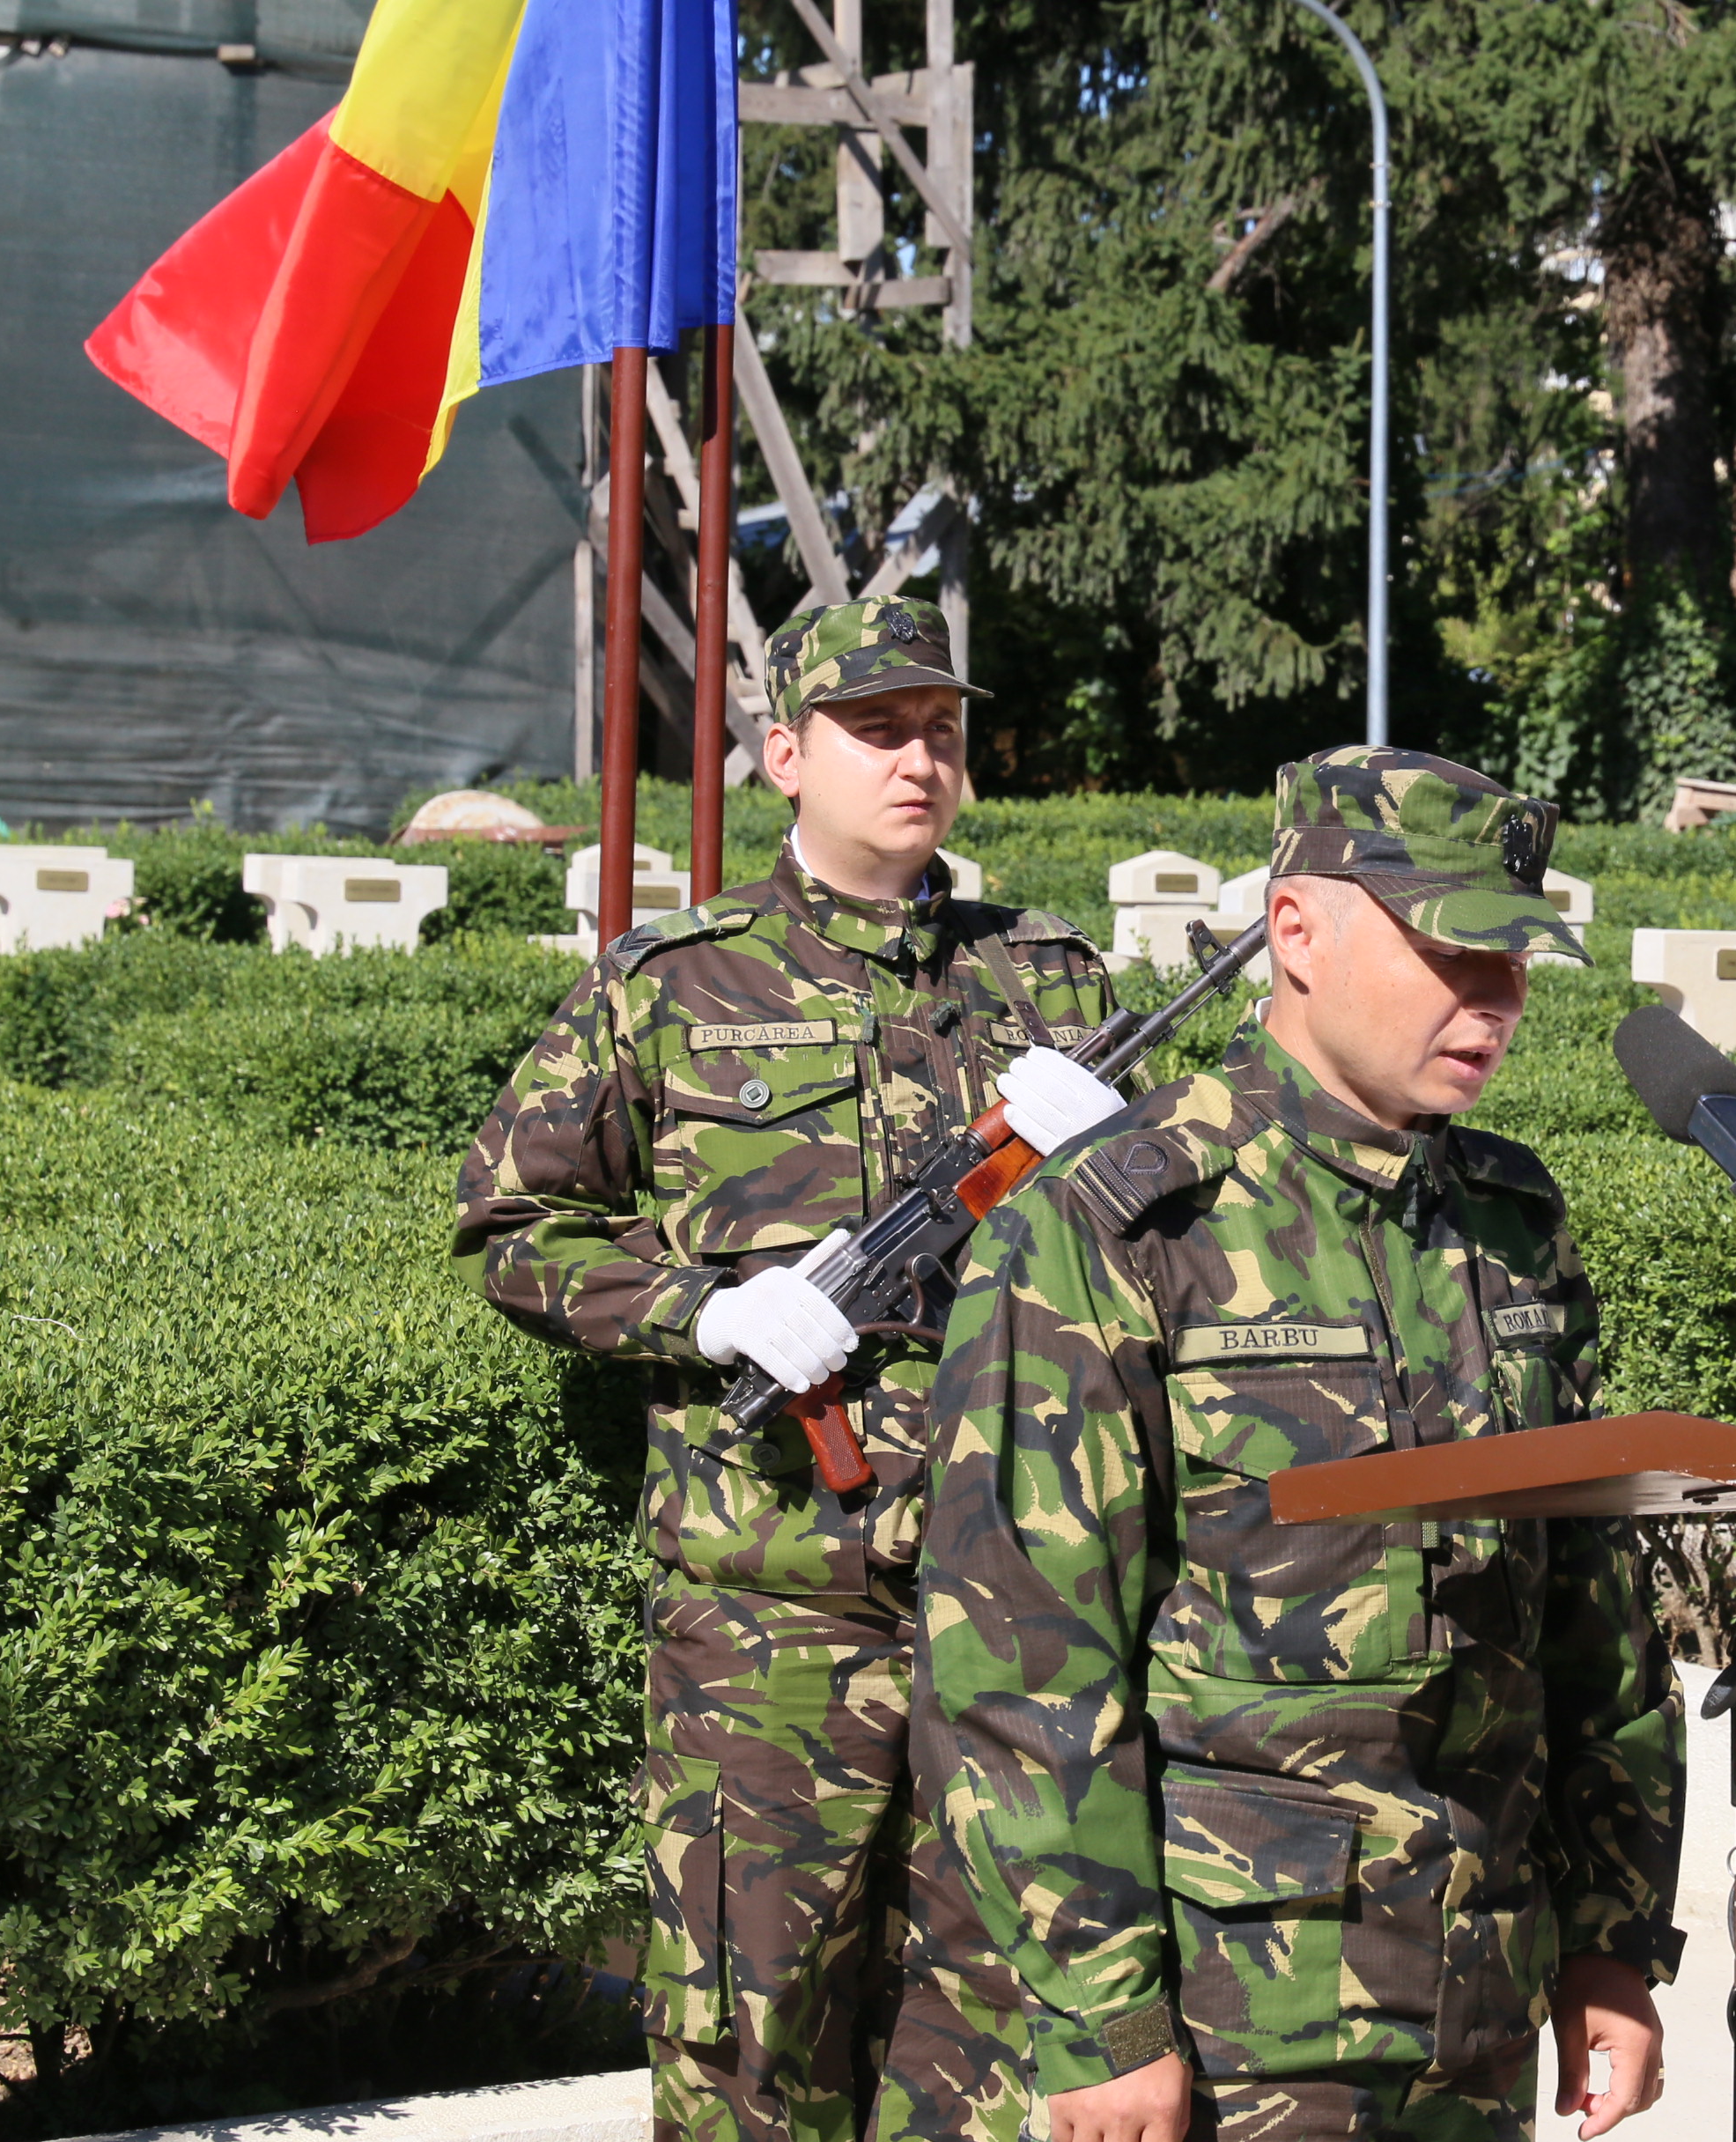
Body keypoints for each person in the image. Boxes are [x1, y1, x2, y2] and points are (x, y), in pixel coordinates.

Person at [904, 747, 1686, 2142]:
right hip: (1233, 2023)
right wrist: (1102, 2018)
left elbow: (1591, 1619)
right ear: (1297, 929)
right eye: (1451, 949)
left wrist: (1610, 1937)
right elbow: (1023, 1650)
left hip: (1476, 1995)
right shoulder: (1123, 1227)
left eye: (1512, 960)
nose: (1495, 999)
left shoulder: (1513, 1226)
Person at [453, 596, 1135, 2142]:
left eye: (941, 732)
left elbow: (1169, 1256)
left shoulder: (1058, 985)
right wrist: (707, 1310)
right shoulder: (673, 985)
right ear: (785, 755)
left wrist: (1121, 1160)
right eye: (878, 730)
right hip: (770, 1605)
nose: (919, 759)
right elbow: (511, 1225)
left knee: (989, 2036)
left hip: (1018, 1590)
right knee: (751, 2042)